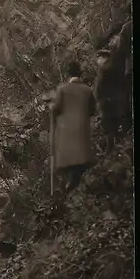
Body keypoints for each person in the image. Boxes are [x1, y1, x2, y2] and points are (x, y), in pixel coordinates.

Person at [50, 61, 96, 193]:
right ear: (80, 75)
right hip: (82, 129)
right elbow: (92, 110)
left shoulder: (62, 89)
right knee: (80, 157)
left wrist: (51, 107)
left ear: (67, 74)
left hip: (67, 130)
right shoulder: (87, 90)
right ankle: (75, 179)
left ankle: (69, 183)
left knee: (68, 156)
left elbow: (56, 109)